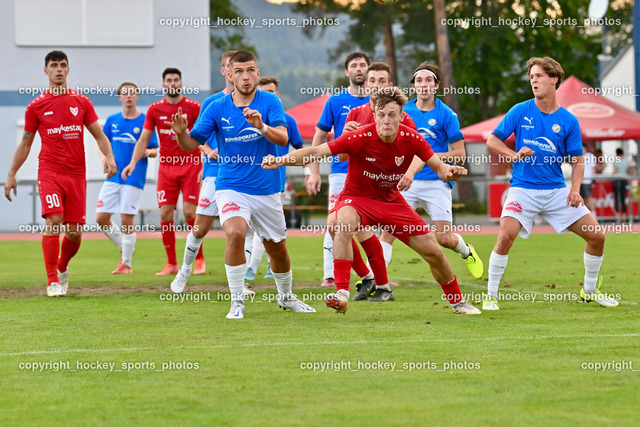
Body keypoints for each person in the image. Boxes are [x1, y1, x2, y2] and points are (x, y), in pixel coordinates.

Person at [263, 87, 481, 315]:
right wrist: (279, 161)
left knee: (433, 251)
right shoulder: (359, 137)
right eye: (382, 115)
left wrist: (451, 172)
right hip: (357, 198)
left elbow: (440, 167)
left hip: (391, 200)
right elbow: (314, 151)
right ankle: (341, 294)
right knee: (342, 222)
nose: (386, 120)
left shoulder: (413, 138)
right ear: (375, 115)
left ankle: (459, 303)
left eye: (392, 115)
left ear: (401, 116)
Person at [167, 50, 316, 319]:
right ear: (229, 74)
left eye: (250, 70)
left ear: (257, 73)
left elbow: (283, 139)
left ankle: (286, 297)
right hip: (230, 185)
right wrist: (181, 134)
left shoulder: (270, 101)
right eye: (239, 71)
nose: (245, 76)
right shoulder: (216, 107)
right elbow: (191, 143)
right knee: (235, 233)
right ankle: (237, 302)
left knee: (277, 248)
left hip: (266, 190)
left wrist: (261, 126)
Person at [484, 56, 618, 310]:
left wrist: (576, 190)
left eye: (539, 76)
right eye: (531, 77)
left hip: (557, 190)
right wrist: (513, 156)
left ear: (553, 79)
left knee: (597, 236)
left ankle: (589, 291)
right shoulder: (520, 110)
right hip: (523, 189)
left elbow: (578, 161)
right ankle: (491, 295)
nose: (533, 81)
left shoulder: (568, 120)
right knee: (505, 236)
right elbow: (492, 141)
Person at [4, 50, 117, 297]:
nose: (58, 69)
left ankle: (62, 267)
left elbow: (99, 135)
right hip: (50, 172)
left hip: (77, 174)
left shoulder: (82, 102)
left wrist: (109, 157)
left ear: (68, 70)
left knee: (75, 232)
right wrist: (12, 173)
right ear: (46, 70)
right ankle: (52, 280)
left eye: (63, 65)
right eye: (54, 65)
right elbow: (25, 143)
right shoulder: (36, 106)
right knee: (54, 221)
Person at [379, 62, 483, 291]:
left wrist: (430, 156)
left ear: (436, 85)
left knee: (444, 239)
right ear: (413, 85)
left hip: (437, 182)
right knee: (388, 231)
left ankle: (467, 251)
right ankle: (374, 281)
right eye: (419, 81)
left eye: (428, 81)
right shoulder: (404, 111)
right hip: (407, 180)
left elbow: (460, 154)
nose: (423, 85)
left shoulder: (447, 114)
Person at [340, 61, 418, 302]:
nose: (375, 86)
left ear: (390, 85)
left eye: (381, 81)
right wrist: (345, 135)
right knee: (339, 227)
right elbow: (342, 156)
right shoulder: (355, 114)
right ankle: (373, 281)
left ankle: (375, 283)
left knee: (431, 243)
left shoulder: (399, 115)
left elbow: (421, 150)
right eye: (371, 81)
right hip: (358, 188)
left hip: (384, 192)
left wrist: (410, 172)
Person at [122, 68, 205, 276]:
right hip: (166, 168)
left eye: (176, 80)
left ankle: (200, 259)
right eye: (169, 80)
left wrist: (208, 160)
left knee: (189, 213)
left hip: (190, 165)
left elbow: (205, 136)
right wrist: (133, 162)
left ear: (181, 83)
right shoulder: (154, 109)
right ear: (163, 85)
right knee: (166, 213)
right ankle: (172, 264)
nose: (173, 83)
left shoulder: (194, 107)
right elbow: (143, 139)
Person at [170, 51, 237, 293]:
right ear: (224, 71)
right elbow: (196, 138)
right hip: (215, 174)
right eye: (230, 67)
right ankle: (184, 271)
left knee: (242, 231)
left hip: (245, 176)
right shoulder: (211, 103)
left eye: (240, 67)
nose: (235, 71)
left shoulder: (257, 102)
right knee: (200, 228)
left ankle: (240, 284)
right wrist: (208, 151)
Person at [306, 52, 370, 288]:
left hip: (371, 173)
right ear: (347, 72)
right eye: (354, 65)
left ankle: (374, 277)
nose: (359, 69)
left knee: (366, 226)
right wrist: (314, 171)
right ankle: (330, 274)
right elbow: (319, 137)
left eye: (363, 65)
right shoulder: (335, 101)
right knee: (335, 222)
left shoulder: (377, 101)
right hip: (341, 172)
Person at [244, 76, 304, 281]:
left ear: (278, 94)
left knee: (266, 229)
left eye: (272, 91)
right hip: (247, 182)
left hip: (273, 182)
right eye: (264, 92)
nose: (269, 95)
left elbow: (301, 149)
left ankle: (255, 268)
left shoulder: (288, 120)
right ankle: (255, 267)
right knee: (249, 227)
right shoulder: (247, 118)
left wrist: (308, 172)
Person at [96, 82, 158, 274]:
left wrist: (148, 152)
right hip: (113, 177)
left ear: (137, 96)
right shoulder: (112, 120)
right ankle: (125, 246)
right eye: (125, 93)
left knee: (126, 219)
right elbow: (102, 146)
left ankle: (126, 264)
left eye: (132, 93)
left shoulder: (145, 120)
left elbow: (155, 149)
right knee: (101, 217)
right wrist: (105, 160)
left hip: (134, 176)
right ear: (120, 97)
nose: (129, 96)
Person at [612, 148, 631, 222]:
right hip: (624, 179)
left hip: (617, 180)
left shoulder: (616, 160)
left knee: (617, 198)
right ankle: (624, 215)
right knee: (623, 198)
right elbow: (629, 171)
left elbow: (614, 171)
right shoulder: (627, 161)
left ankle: (618, 214)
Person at [579, 143, 597, 217]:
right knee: (583, 198)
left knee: (589, 197)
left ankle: (593, 213)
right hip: (580, 181)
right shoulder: (579, 157)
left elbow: (593, 169)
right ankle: (586, 214)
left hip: (587, 180)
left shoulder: (590, 156)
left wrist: (593, 180)